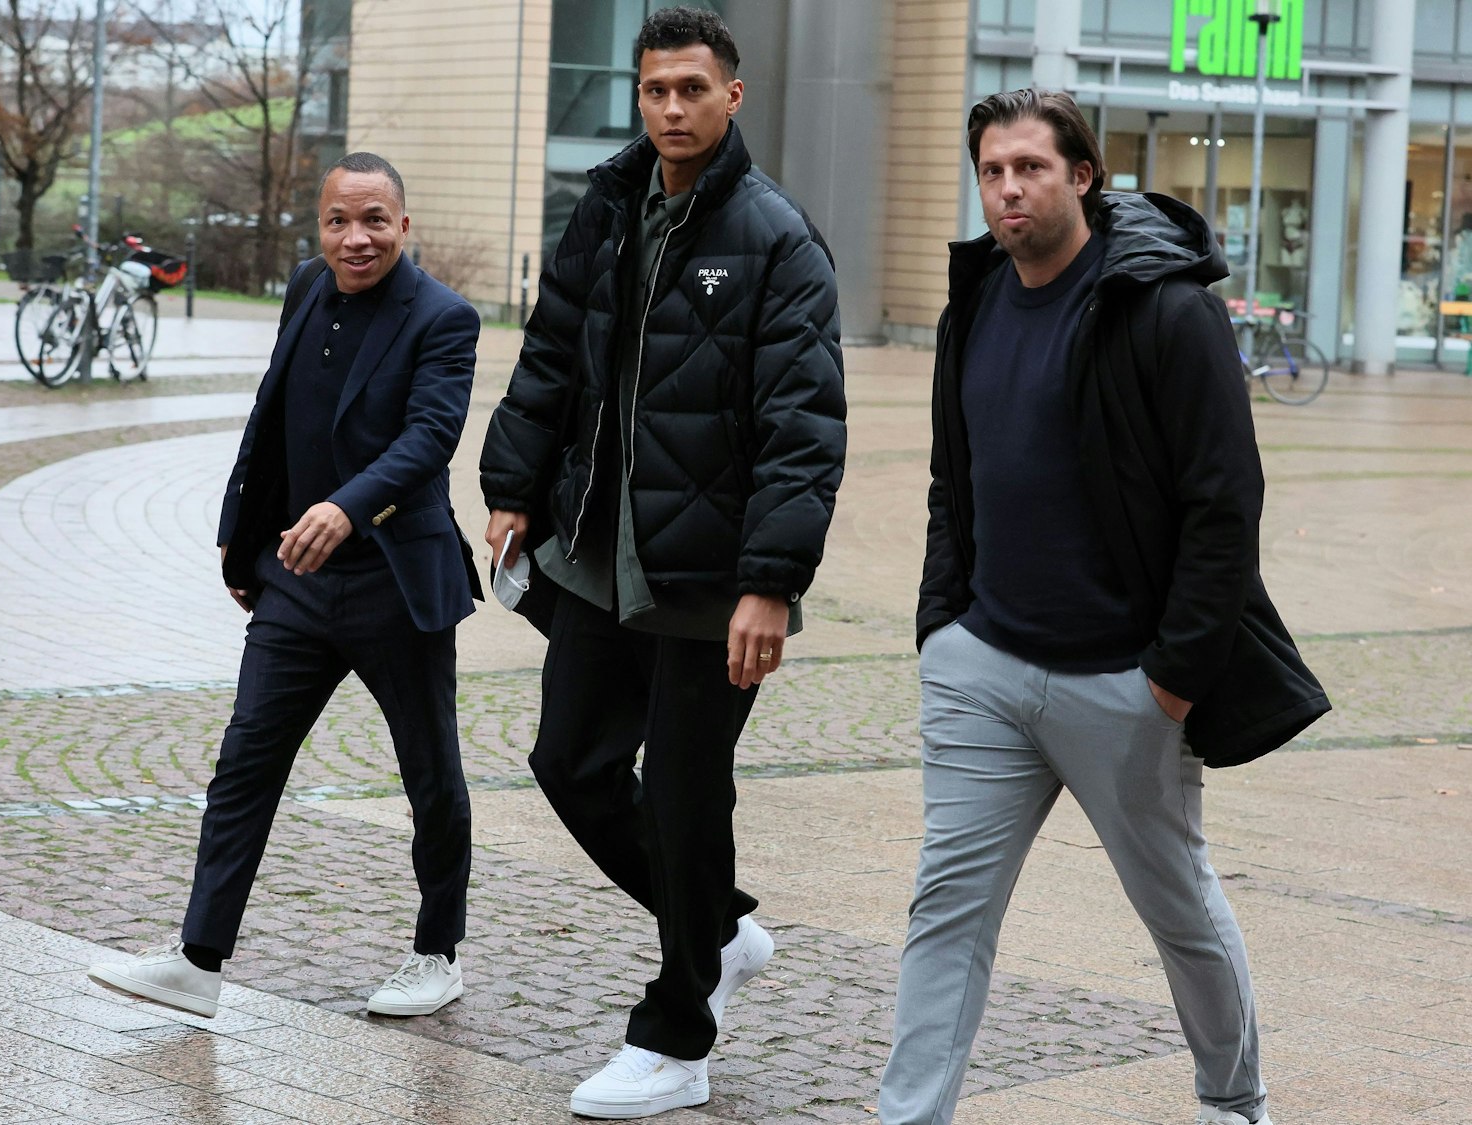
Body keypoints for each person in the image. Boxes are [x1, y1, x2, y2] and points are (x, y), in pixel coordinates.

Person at [877, 89, 1329, 1125]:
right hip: (981, 670)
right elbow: (956, 480)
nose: (1006, 190)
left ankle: (1232, 1101)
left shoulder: (1162, 307)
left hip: (1124, 684)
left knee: (1175, 910)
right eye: (991, 171)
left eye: (1029, 168)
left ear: (1081, 175)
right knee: (944, 913)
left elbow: (1224, 503)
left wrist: (1168, 682)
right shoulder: (976, 301)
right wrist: (941, 626)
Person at [477, 6, 845, 1118]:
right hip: (597, 554)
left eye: (691, 88)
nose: (671, 108)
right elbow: (550, 353)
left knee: (686, 794)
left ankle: (677, 1035)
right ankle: (719, 929)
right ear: (636, 98)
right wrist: (508, 488)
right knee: (567, 764)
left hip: (706, 575)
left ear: (732, 96)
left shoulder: (776, 237)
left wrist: (769, 582)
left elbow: (802, 425)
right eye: (654, 90)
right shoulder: (603, 207)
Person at [87, 152, 484, 1022]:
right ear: (319, 226)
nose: (357, 238)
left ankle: (437, 951)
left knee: (430, 772)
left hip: (394, 583)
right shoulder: (308, 287)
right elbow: (273, 415)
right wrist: (242, 546)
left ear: (404, 226)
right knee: (245, 762)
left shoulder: (444, 318)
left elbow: (429, 438)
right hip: (297, 584)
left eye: (375, 219)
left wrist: (346, 508)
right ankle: (198, 958)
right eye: (340, 220)